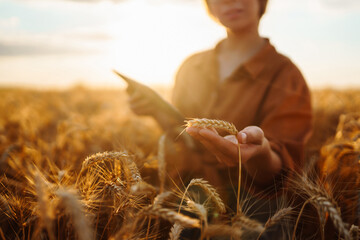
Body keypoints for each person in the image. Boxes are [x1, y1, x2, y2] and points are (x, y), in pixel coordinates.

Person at [125, 0, 312, 219]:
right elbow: (180, 131)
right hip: (185, 196)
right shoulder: (191, 66)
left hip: (252, 210)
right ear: (210, 6)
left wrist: (259, 154)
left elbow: (283, 169)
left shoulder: (286, 75)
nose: (230, 1)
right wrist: (155, 110)